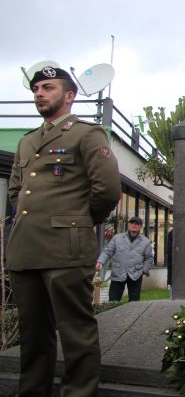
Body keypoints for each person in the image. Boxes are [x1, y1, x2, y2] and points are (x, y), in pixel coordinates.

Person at [7, 66, 121, 396]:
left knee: (76, 333)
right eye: (36, 89)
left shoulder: (86, 134)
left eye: (48, 87)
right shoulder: (27, 142)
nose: (39, 93)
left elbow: (107, 190)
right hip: (25, 251)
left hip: (67, 251)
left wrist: (78, 223)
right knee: (32, 335)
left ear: (68, 95)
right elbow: (17, 192)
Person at [96, 216, 153, 301]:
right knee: (113, 300)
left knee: (134, 302)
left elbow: (149, 258)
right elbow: (108, 251)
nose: (134, 225)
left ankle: (134, 314)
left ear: (140, 226)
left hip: (136, 275)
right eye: (132, 223)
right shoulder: (117, 238)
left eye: (137, 224)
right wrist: (100, 262)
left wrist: (144, 270)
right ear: (128, 225)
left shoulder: (145, 241)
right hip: (118, 273)